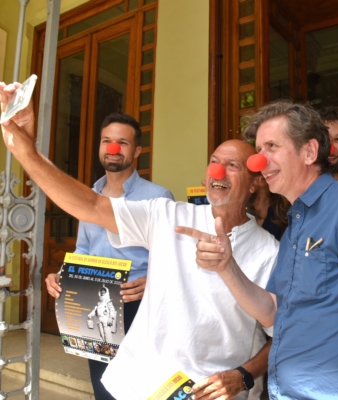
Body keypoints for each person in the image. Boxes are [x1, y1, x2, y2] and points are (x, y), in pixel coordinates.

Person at [0, 82, 279, 400]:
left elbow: (284, 331)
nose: (219, 171)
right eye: (215, 161)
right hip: (140, 382)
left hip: (210, 392)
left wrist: (243, 376)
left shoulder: (271, 251)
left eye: (233, 166)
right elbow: (91, 207)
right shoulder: (167, 215)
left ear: (255, 182)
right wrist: (25, 150)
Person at [177, 100, 338, 399]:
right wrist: (227, 266)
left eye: (271, 147)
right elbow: (273, 311)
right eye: (259, 150)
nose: (257, 162)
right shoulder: (296, 222)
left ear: (310, 152)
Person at [44, 112, 174, 400]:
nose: (113, 148)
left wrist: (152, 280)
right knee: (102, 386)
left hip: (137, 304)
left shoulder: (158, 195)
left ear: (137, 150)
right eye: (107, 141)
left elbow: (172, 256)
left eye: (122, 143)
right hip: (94, 298)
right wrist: (62, 275)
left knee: (141, 387)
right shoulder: (89, 196)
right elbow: (83, 250)